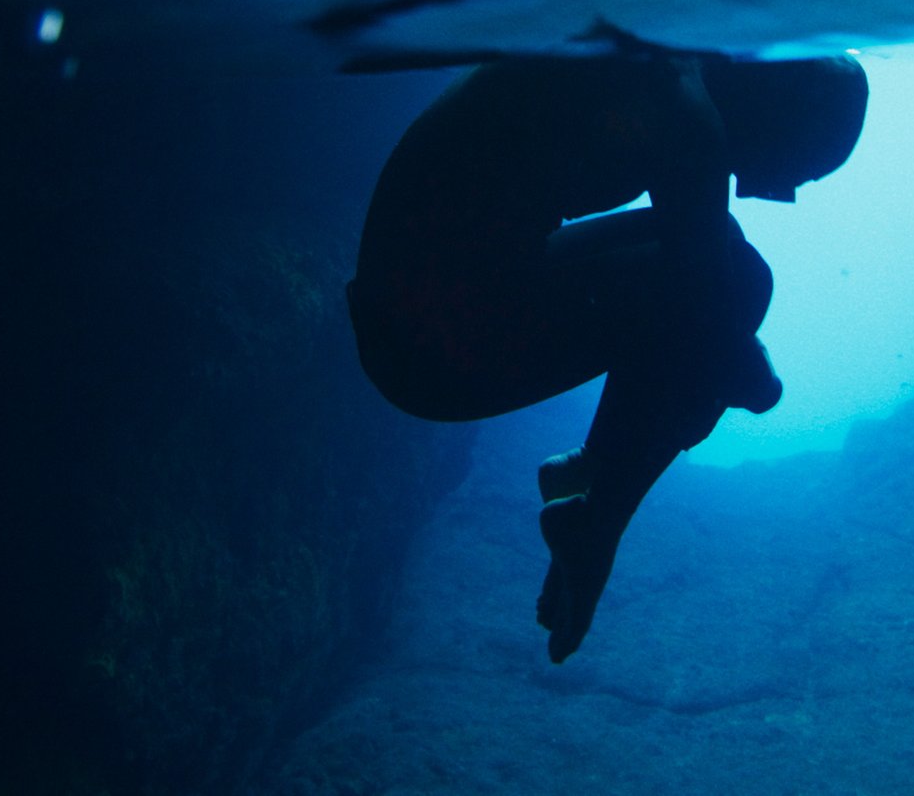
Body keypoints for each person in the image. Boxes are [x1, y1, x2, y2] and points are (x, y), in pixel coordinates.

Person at [347, 53, 868, 662]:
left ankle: (590, 481)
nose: (774, 191)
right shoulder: (684, 116)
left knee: (721, 263)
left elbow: (704, 293)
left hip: (412, 313)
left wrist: (736, 357)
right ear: (781, 114)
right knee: (741, 281)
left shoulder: (668, 69)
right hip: (426, 345)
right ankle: (596, 524)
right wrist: (752, 374)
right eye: (796, 172)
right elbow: (717, 330)